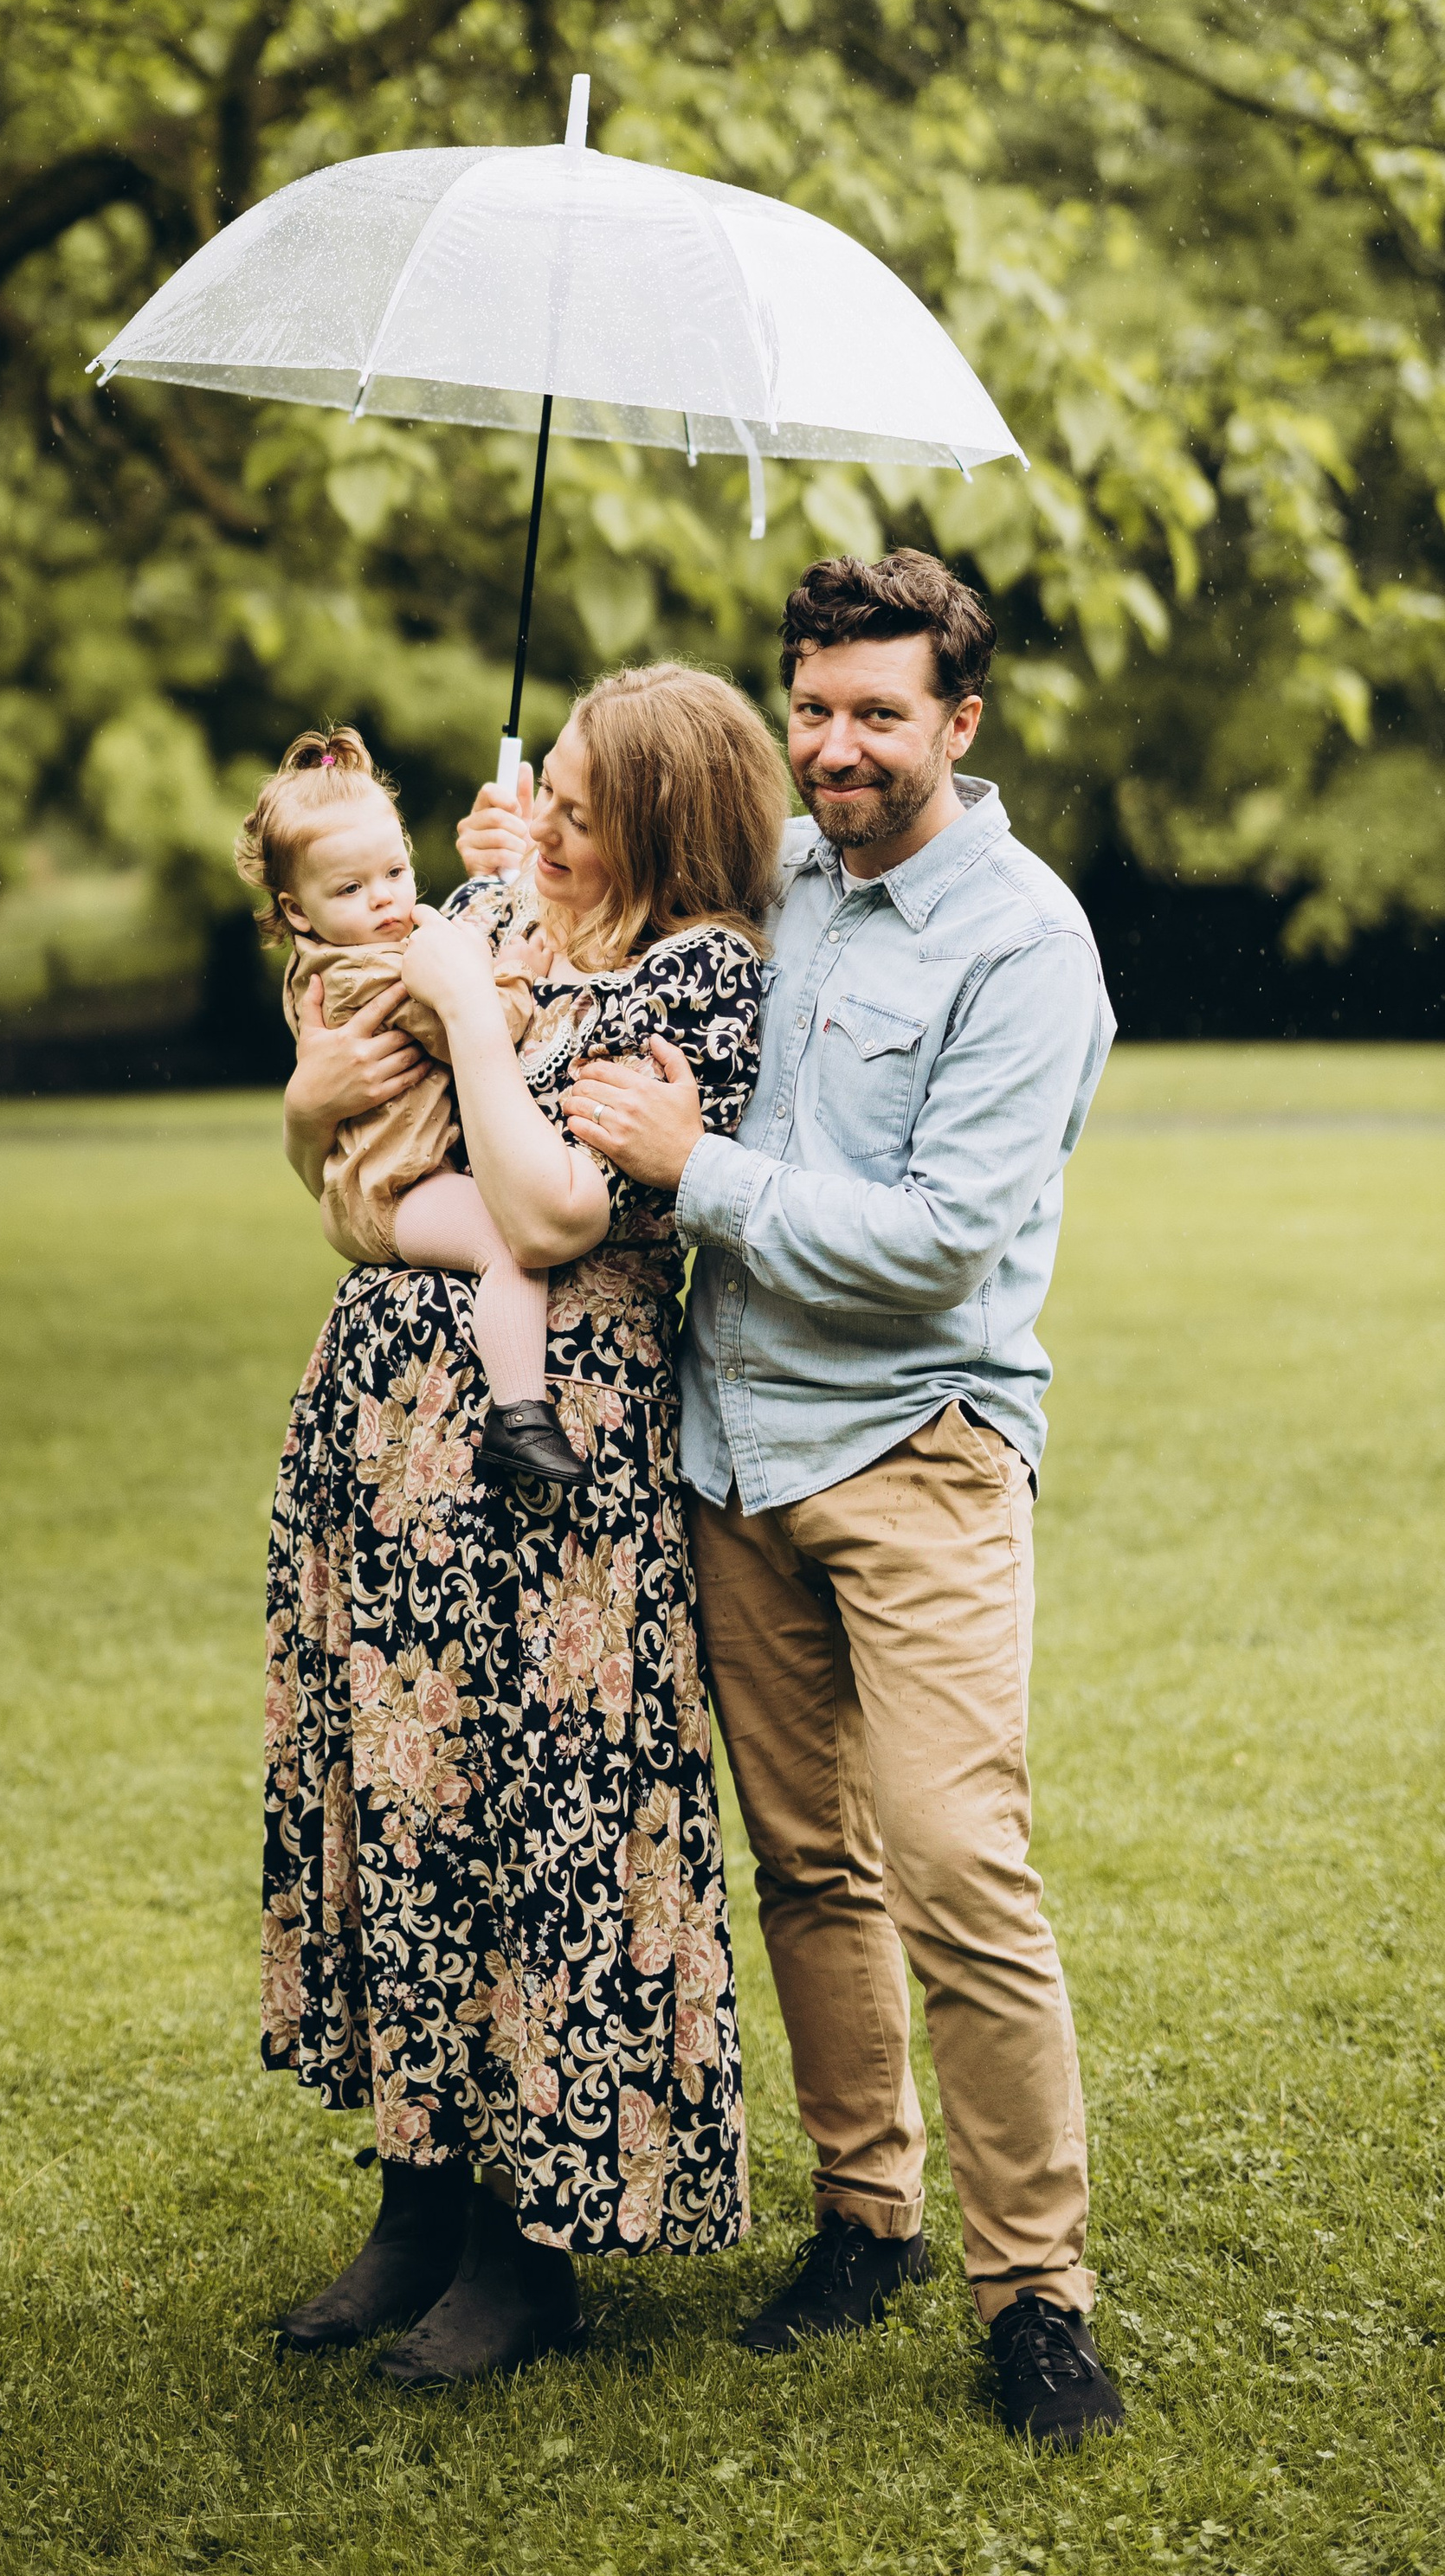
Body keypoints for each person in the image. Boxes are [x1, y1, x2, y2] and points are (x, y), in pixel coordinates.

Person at [463, 551, 1124, 2452]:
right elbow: (620, 906)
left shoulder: (1021, 943)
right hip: (730, 1455)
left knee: (955, 1871)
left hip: (913, 1455)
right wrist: (525, 845)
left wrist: (702, 1169)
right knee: (806, 1865)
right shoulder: (784, 891)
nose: (834, 748)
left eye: (877, 716)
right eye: (812, 710)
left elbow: (941, 1247)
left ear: (958, 723)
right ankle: (863, 2216)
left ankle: (1036, 2297)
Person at [265, 663, 788, 2386]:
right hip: (389, 1453)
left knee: (534, 1824)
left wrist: (475, 1017)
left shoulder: (700, 979)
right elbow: (336, 1138)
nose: (538, 821)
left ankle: (522, 2248)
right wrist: (315, 1107)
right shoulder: (492, 911)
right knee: (410, 1809)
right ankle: (416, 2198)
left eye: (578, 804)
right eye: (542, 788)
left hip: (547, 1484)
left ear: (656, 820)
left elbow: (554, 1211)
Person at [235, 724, 584, 1488]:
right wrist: (515, 975)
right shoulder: (370, 975)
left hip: (376, 1179)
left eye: (394, 871)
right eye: (351, 890)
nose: (387, 899)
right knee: (509, 1241)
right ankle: (519, 1413)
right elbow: (469, 1028)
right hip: (395, 1192)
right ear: (297, 910)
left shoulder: (341, 951)